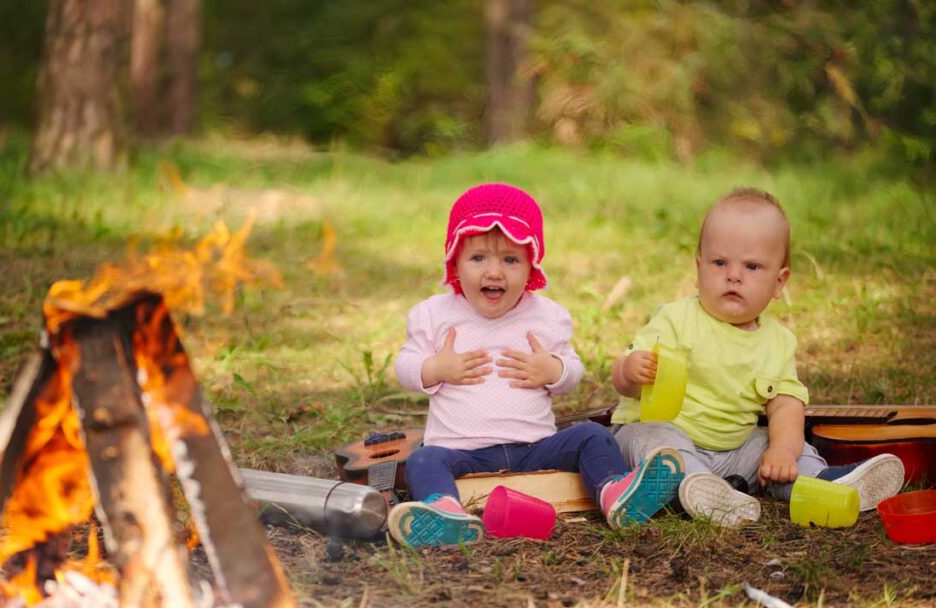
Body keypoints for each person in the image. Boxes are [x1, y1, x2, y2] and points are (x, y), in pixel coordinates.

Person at [386, 183, 685, 548]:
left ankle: (615, 492)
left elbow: (573, 372)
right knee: (423, 461)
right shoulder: (434, 314)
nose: (494, 273)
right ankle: (446, 512)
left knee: (591, 435)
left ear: (531, 267)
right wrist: (435, 368)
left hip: (535, 447)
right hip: (460, 450)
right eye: (478, 258)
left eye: (510, 260)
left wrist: (553, 371)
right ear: (454, 261)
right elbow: (405, 366)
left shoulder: (546, 317)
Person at [610, 187, 905, 527]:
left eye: (751, 266)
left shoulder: (778, 343)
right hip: (665, 434)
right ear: (699, 266)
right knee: (657, 441)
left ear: (779, 282)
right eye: (719, 262)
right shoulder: (676, 319)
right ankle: (694, 485)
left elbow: (785, 405)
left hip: (732, 451)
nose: (733, 275)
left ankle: (821, 484)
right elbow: (623, 382)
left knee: (779, 444)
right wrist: (630, 372)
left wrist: (782, 451)